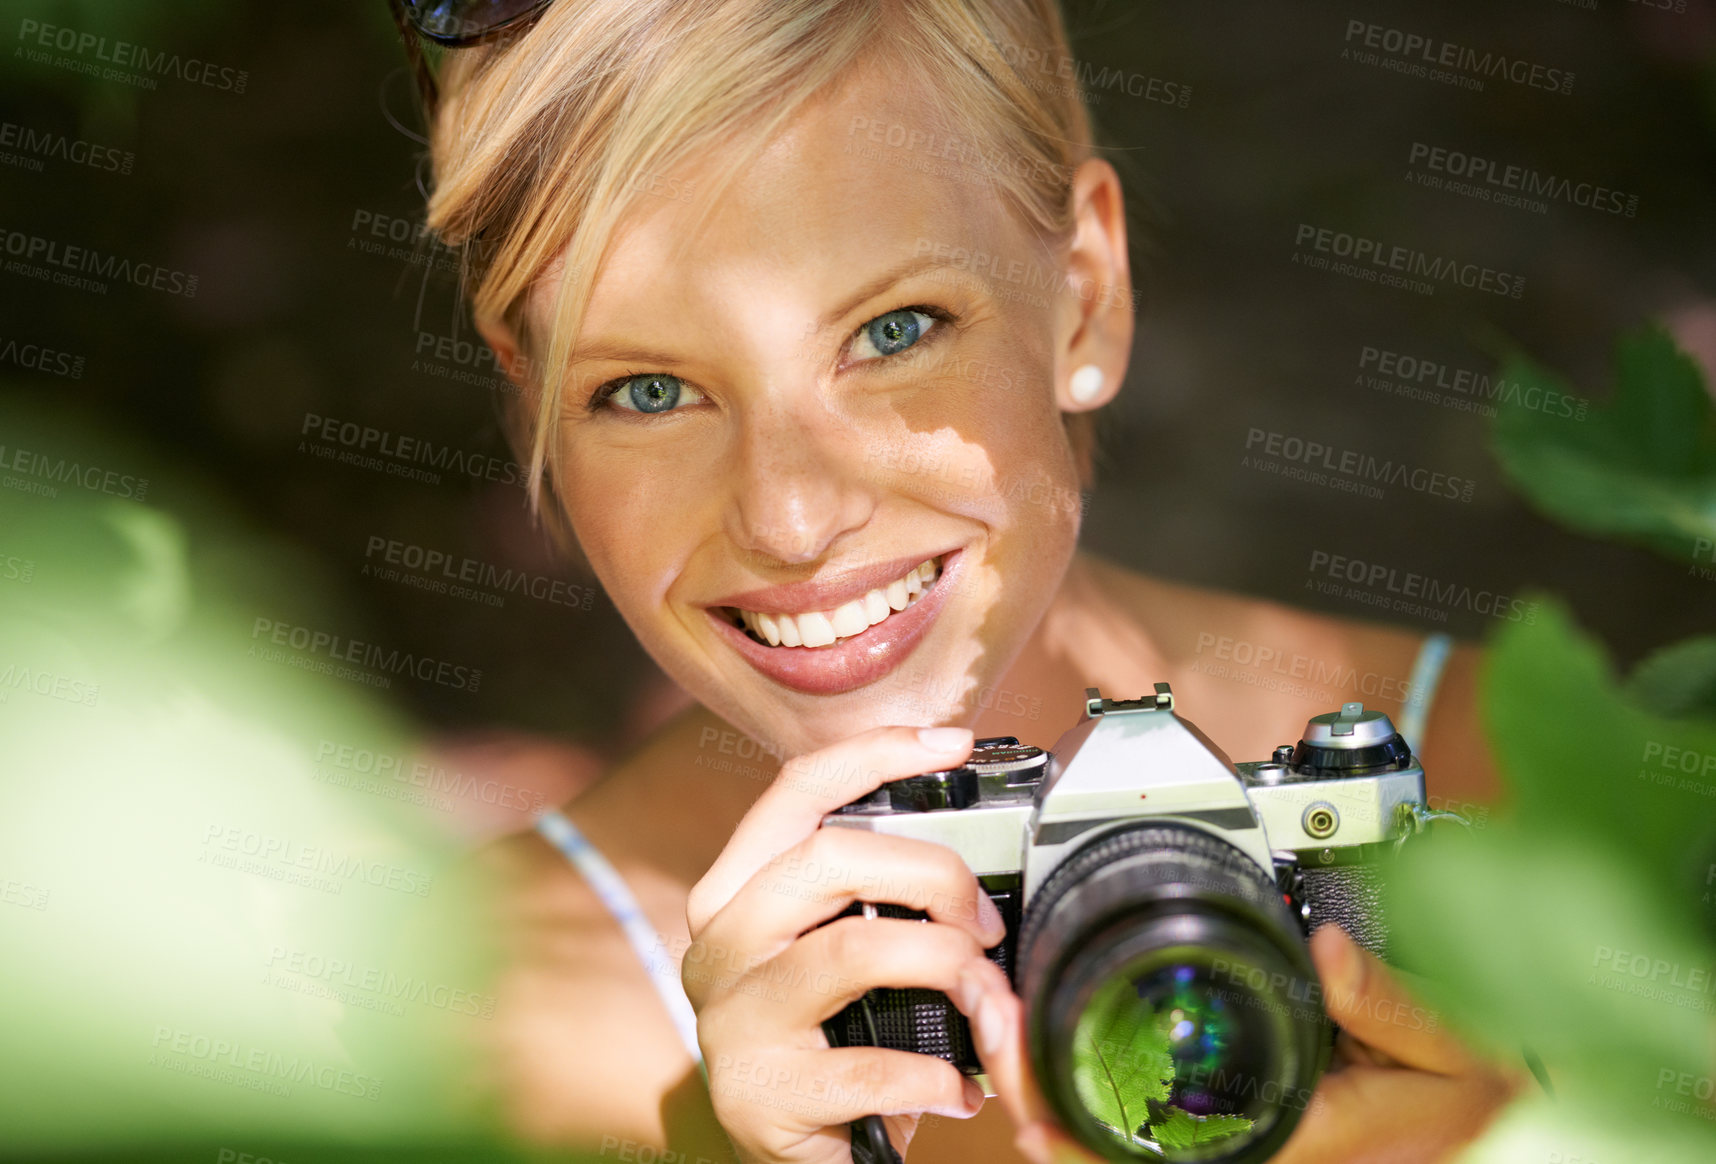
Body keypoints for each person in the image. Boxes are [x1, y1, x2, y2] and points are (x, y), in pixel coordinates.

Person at [394, 0, 1518, 1159]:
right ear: (533, 403)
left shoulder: (1579, 806)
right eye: (645, 390)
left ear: (1086, 293)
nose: (788, 520)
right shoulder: (447, 1030)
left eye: (894, 331)